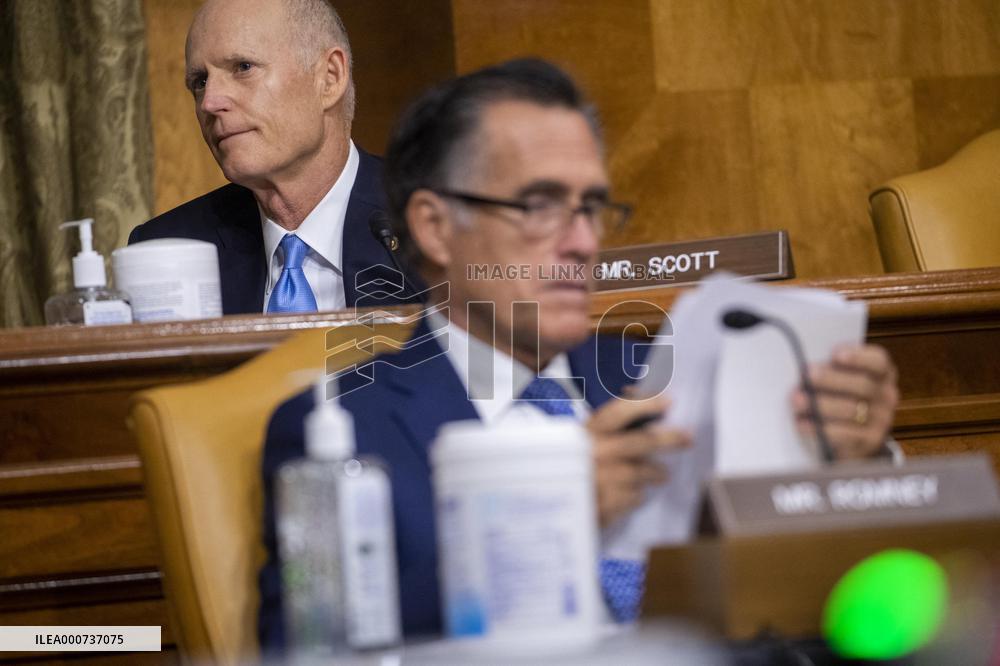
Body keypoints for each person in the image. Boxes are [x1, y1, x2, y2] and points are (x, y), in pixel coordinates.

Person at [257, 58, 900, 649]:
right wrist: (548, 525)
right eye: (540, 206)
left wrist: (847, 467)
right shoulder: (341, 427)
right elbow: (315, 651)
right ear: (435, 227)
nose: (583, 242)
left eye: (591, 208)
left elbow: (800, 592)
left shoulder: (660, 375)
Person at [129, 0, 412, 314]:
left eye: (243, 67)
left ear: (329, 78)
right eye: (200, 82)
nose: (209, 102)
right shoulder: (168, 250)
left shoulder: (434, 223)